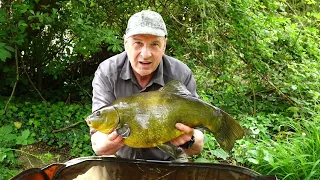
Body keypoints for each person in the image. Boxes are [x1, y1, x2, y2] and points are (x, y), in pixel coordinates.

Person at [90, 10, 204, 161]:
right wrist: (111, 142)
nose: (145, 54)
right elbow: (98, 145)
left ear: (164, 45)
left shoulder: (181, 74)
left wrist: (189, 140)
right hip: (122, 160)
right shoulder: (107, 72)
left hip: (170, 160)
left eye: (155, 44)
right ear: (125, 43)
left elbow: (198, 145)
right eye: (138, 43)